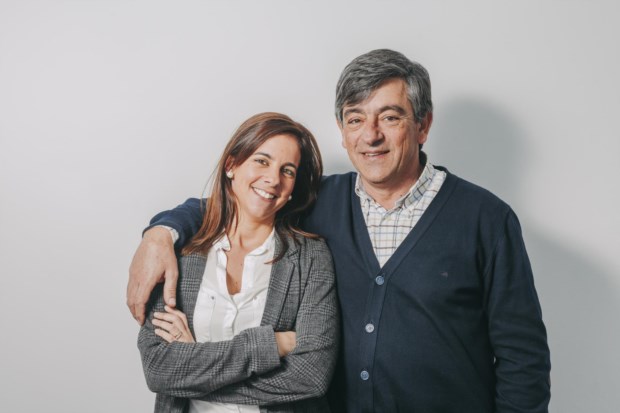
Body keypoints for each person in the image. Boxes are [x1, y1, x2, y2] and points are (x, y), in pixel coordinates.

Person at [128, 50, 551, 412]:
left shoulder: (486, 219)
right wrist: (161, 232)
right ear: (342, 132)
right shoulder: (317, 201)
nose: (371, 136)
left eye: (390, 117)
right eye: (355, 119)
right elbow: (241, 204)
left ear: (423, 125)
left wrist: (195, 376)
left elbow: (523, 358)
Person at [136, 112, 339, 413]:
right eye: (262, 161)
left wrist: (193, 363)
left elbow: (311, 376)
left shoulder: (310, 257)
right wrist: (270, 345)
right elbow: (158, 370)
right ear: (231, 165)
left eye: (287, 171)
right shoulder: (180, 249)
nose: (273, 179)